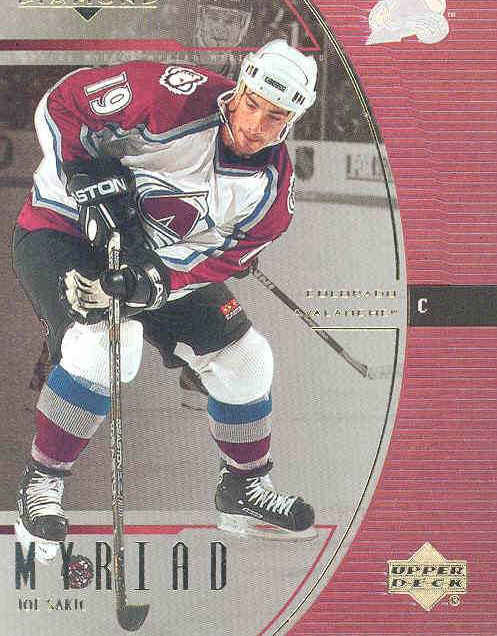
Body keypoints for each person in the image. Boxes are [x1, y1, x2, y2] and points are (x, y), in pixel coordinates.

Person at [12, 39, 318, 564]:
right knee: (109, 346)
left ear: (291, 120)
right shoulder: (169, 94)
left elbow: (218, 261)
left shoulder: (272, 194)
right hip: (61, 230)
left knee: (246, 359)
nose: (254, 126)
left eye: (274, 117)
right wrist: (80, 170)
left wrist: (154, 283)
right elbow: (63, 101)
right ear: (240, 88)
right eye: (251, 105)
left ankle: (243, 487)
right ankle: (42, 484)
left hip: (151, 260)